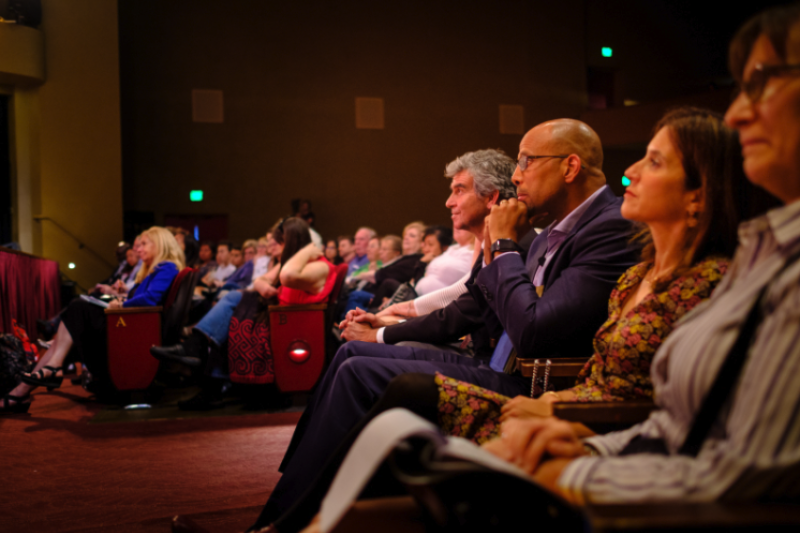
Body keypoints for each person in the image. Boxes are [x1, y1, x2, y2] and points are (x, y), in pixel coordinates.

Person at [422, 106, 749, 445]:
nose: (630, 171)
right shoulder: (634, 277)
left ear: (697, 196)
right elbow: (594, 373)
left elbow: (670, 410)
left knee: (408, 393)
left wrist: (562, 421)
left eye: (653, 162)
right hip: (566, 406)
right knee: (385, 386)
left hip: (603, 433)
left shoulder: (706, 283)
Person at [252, 148, 521, 527]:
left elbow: (461, 312)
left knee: (356, 364)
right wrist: (386, 317)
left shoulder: (514, 241)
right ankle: (298, 477)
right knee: (351, 354)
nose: (448, 201)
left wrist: (382, 332)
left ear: (491, 196)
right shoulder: (497, 240)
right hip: (476, 352)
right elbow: (458, 299)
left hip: (494, 365)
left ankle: (290, 512)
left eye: (458, 190)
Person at [150, 218, 338, 410]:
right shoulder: (290, 263)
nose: (273, 247)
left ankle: (197, 356)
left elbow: (287, 276)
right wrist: (264, 286)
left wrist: (305, 250)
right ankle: (202, 365)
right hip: (277, 320)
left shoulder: (318, 266)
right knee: (230, 317)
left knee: (232, 306)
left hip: (291, 327)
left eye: (279, 242)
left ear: (291, 242)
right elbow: (260, 280)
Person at [2, 227, 184, 410]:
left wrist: (120, 305)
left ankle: (32, 383)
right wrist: (121, 299)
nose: (138, 249)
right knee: (74, 316)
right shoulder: (156, 269)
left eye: (144, 244)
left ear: (159, 245)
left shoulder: (166, 267)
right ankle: (27, 387)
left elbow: (151, 300)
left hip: (133, 332)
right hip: (131, 326)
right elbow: (145, 299)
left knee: (77, 308)